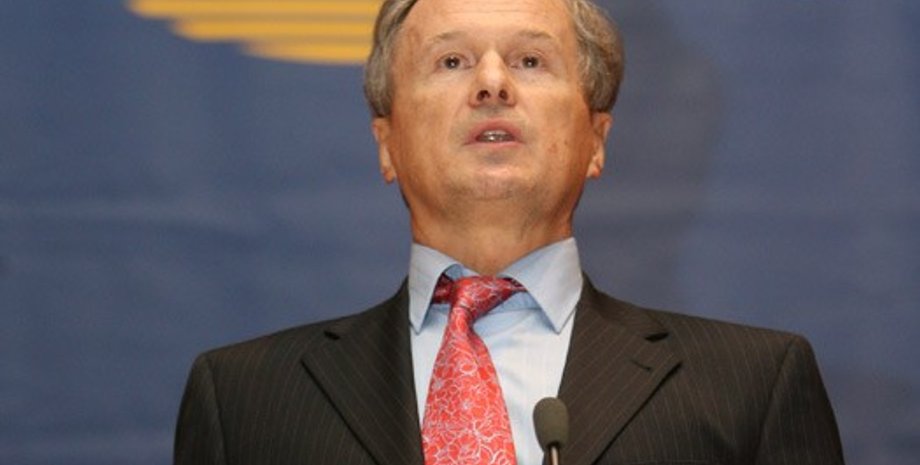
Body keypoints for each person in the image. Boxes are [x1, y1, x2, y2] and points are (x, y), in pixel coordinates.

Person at [174, 0, 845, 464]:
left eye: (529, 61)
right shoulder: (245, 401)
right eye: (451, 62)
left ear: (596, 140)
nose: (492, 83)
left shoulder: (751, 388)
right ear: (386, 142)